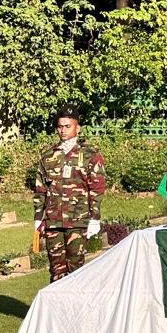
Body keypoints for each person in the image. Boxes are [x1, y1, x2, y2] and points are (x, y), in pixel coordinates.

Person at [33, 107, 106, 283]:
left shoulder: (90, 156)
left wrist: (95, 217)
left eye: (67, 126)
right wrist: (38, 217)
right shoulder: (48, 156)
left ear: (77, 128)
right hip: (53, 222)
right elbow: (40, 189)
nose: (63, 130)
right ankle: (55, 302)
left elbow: (97, 189)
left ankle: (77, 302)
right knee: (56, 271)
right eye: (60, 126)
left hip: (77, 220)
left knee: (76, 271)